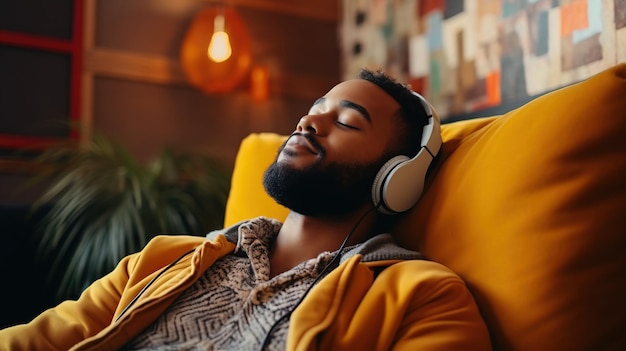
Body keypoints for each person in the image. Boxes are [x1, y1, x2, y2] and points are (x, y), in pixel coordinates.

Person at [0, 69, 491, 350]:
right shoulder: (163, 261)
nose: (310, 120)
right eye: (318, 105)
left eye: (345, 121)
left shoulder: (424, 298)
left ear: (395, 180)